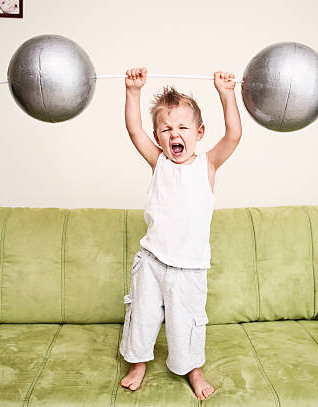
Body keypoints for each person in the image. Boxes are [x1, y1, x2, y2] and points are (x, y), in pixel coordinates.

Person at [119, 67, 242, 401]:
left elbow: (233, 136)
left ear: (199, 132)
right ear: (159, 137)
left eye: (183, 127)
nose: (175, 134)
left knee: (186, 323)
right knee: (141, 316)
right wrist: (134, 92)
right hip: (152, 261)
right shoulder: (158, 162)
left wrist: (226, 94)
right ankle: (138, 362)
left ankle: (193, 368)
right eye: (166, 128)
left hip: (189, 269)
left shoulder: (208, 165)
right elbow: (134, 130)